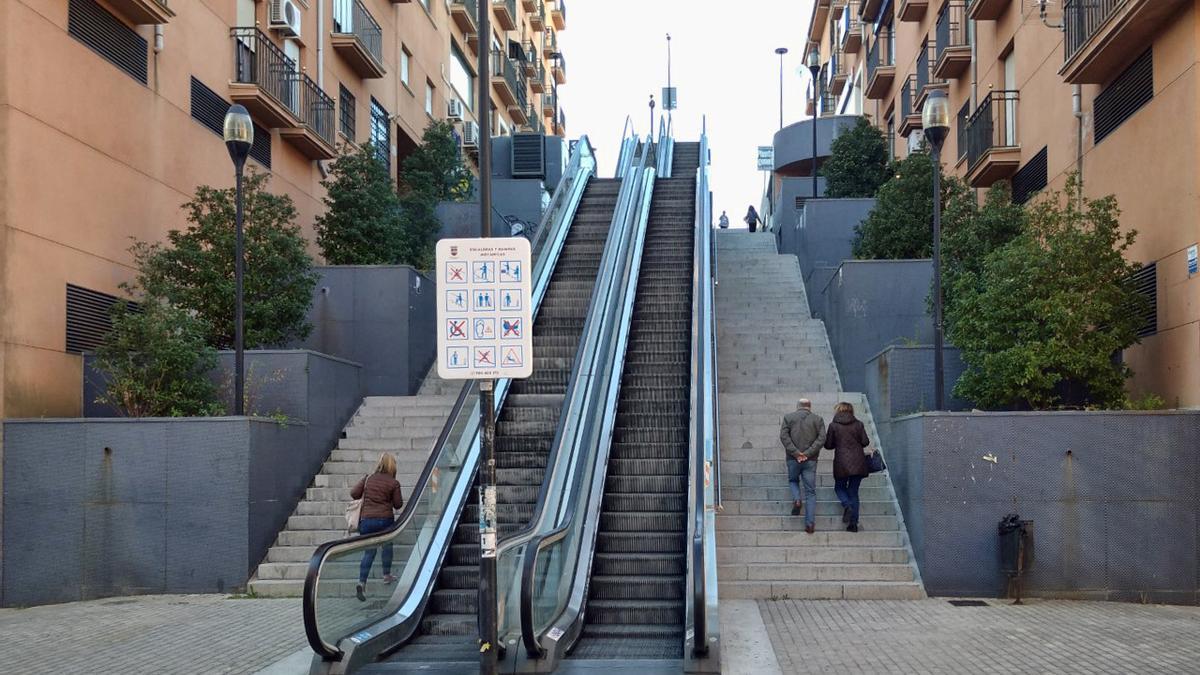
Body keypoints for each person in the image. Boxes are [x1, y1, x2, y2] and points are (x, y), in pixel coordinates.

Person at [351, 452, 405, 601]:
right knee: (387, 546)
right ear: (392, 466)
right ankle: (386, 575)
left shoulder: (368, 479)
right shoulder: (393, 483)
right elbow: (398, 505)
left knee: (369, 552)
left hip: (366, 521)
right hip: (384, 520)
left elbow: (354, 493)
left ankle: (361, 582)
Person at [823, 401, 871, 533]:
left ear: (838, 410)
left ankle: (846, 505)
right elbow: (865, 442)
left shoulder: (834, 426)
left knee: (839, 487)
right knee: (853, 492)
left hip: (842, 463)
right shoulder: (859, 424)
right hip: (858, 463)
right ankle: (853, 524)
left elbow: (828, 445)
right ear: (851, 411)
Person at [780, 398, 825, 534]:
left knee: (793, 480)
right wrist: (807, 453)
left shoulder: (788, 418)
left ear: (798, 406)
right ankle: (810, 524)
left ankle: (797, 499)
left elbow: (783, 436)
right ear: (809, 407)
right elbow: (822, 438)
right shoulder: (818, 419)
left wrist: (796, 453)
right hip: (810, 460)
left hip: (793, 459)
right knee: (810, 492)